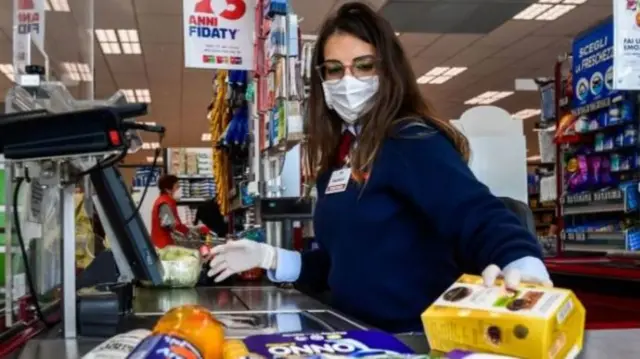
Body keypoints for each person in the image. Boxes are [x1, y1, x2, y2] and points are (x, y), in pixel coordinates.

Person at [207, 2, 551, 333]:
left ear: (388, 70)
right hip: (357, 332)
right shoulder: (339, 160)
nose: (348, 80)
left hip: (412, 336)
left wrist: (523, 265)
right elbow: (340, 262)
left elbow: (476, 212)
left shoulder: (409, 140)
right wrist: (267, 256)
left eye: (364, 65)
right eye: (335, 69)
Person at [150, 174, 208, 248]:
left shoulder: (168, 201)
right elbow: (169, 224)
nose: (180, 189)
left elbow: (176, 225)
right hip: (163, 245)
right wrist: (185, 234)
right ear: (168, 189)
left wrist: (191, 230)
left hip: (166, 243)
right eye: (177, 187)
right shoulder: (164, 203)